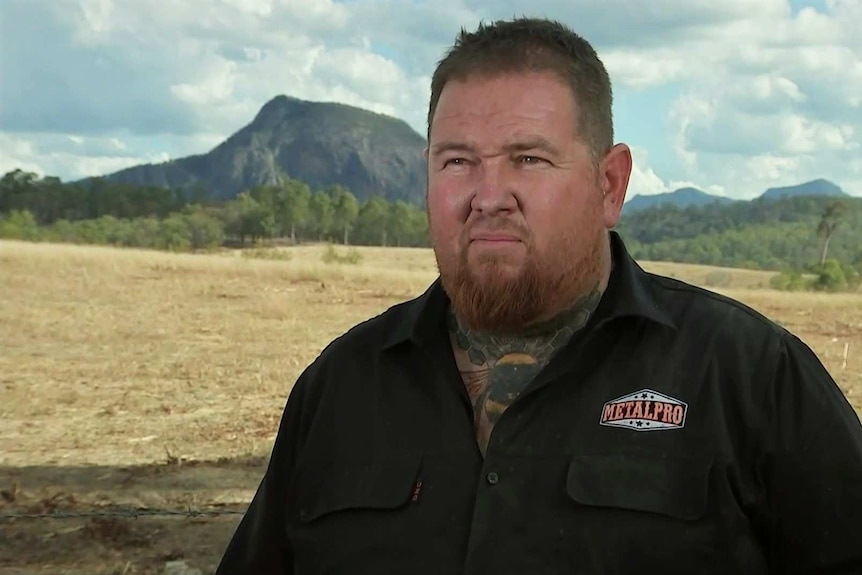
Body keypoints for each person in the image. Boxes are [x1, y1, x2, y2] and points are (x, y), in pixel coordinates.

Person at [216, 17, 862, 575]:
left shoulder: (746, 373)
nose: (488, 195)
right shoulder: (342, 385)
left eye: (528, 158)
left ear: (610, 184)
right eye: (457, 161)